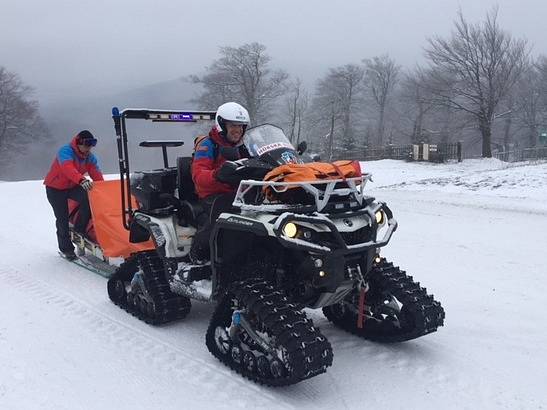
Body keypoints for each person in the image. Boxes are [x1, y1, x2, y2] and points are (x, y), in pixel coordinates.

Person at [190, 102, 251, 263]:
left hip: (241, 193)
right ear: (222, 125)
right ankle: (201, 251)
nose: (237, 130)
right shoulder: (208, 145)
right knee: (226, 212)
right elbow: (198, 175)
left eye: (241, 126)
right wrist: (218, 174)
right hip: (214, 195)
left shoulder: (244, 147)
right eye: (233, 125)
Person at [44, 130, 104, 260]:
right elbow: (68, 169)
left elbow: (96, 172)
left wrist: (103, 189)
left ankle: (79, 229)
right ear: (78, 143)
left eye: (91, 146)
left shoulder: (89, 157)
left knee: (89, 198)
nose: (89, 149)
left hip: (72, 186)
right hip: (55, 189)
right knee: (62, 218)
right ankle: (67, 249)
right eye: (86, 146)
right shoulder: (65, 151)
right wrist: (82, 180)